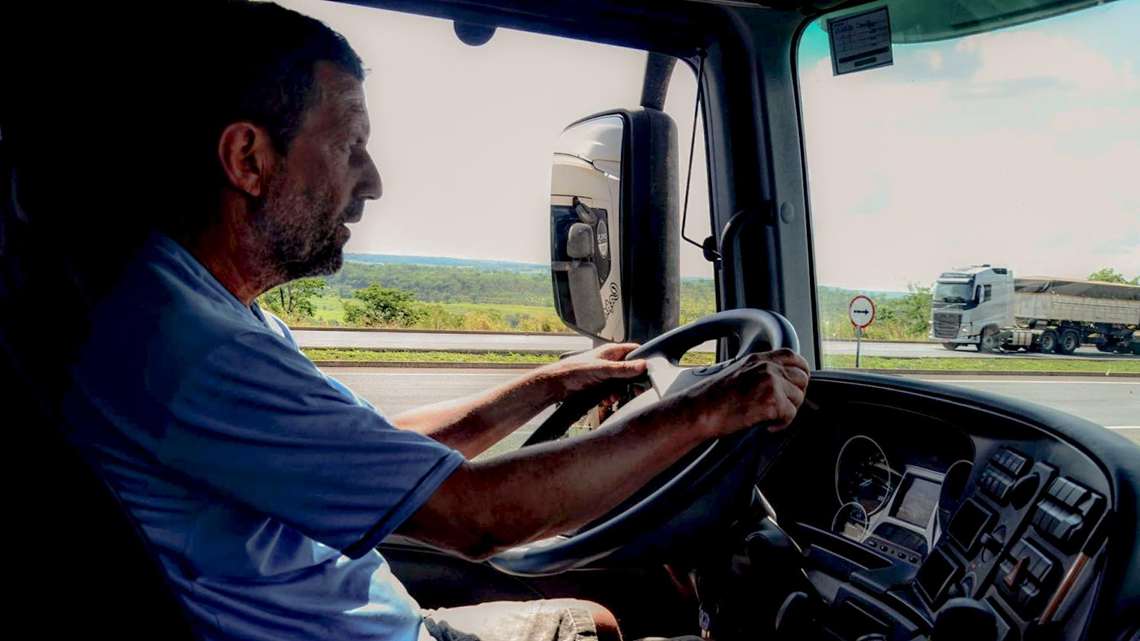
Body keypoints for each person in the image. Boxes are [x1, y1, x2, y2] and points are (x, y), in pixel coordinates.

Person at [60, 3, 811, 641]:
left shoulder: (188, 310)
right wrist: (707, 407)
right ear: (249, 159)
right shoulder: (193, 352)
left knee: (599, 621)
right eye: (350, 147)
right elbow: (475, 519)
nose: (374, 181)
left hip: (386, 621)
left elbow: (388, 452)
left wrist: (547, 386)